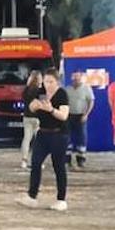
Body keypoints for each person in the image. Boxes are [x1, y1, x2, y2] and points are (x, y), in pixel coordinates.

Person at [16, 68, 69, 211]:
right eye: (46, 81)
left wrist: (51, 110)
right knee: (36, 163)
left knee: (59, 167)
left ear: (57, 82)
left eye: (51, 82)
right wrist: (35, 106)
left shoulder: (62, 94)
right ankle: (32, 196)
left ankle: (61, 199)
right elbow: (31, 107)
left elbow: (64, 116)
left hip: (59, 135)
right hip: (43, 133)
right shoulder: (40, 93)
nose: (48, 85)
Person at [64, 70, 94, 169]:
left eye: (78, 76)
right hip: (69, 116)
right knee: (67, 138)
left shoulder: (86, 88)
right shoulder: (67, 89)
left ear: (81, 77)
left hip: (81, 116)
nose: (76, 78)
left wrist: (86, 114)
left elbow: (91, 102)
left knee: (81, 138)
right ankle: (67, 160)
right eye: (74, 76)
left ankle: (80, 160)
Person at [20, 70, 42, 170]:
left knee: (26, 139)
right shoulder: (40, 90)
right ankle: (38, 161)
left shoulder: (26, 90)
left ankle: (24, 160)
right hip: (38, 117)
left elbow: (24, 101)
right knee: (38, 141)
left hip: (27, 116)